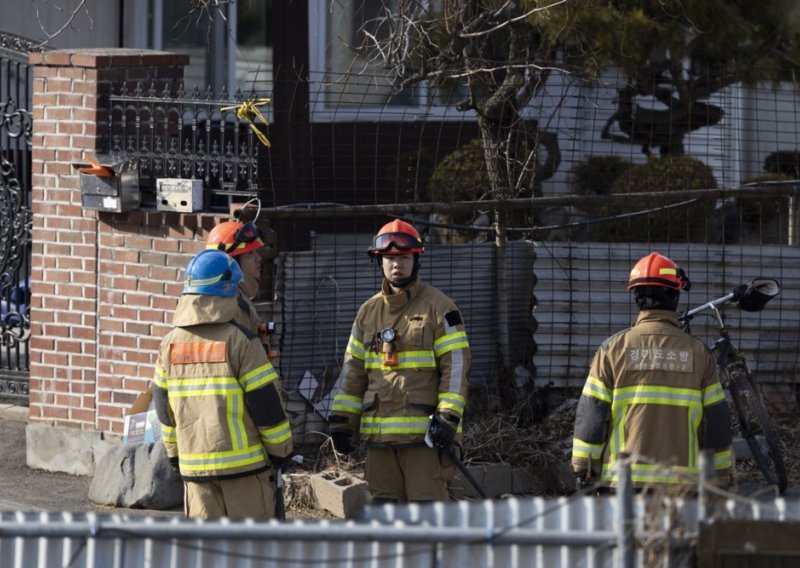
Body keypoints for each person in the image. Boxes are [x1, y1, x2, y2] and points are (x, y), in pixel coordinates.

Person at [328, 219, 471, 503]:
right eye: (390, 258)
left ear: (416, 259)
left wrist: (448, 417)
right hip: (379, 440)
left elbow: (456, 367)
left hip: (425, 439)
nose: (397, 265)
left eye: (404, 257)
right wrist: (342, 422)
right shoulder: (367, 313)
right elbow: (352, 372)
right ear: (379, 261)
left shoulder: (440, 308)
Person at [572, 252, 733, 491]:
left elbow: (592, 417)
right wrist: (718, 475)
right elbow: (715, 423)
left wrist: (584, 468)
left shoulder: (611, 350)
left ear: (636, 297)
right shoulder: (699, 354)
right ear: (675, 297)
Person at [152, 249, 293, 519]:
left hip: (195, 473)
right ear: (228, 288)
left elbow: (163, 407)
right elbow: (266, 404)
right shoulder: (241, 341)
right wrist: (281, 451)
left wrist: (174, 454)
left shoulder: (169, 344)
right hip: (246, 472)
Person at [206, 219, 275, 353]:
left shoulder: (239, 296)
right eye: (250, 253)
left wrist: (263, 332)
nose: (258, 258)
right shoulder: (231, 302)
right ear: (231, 262)